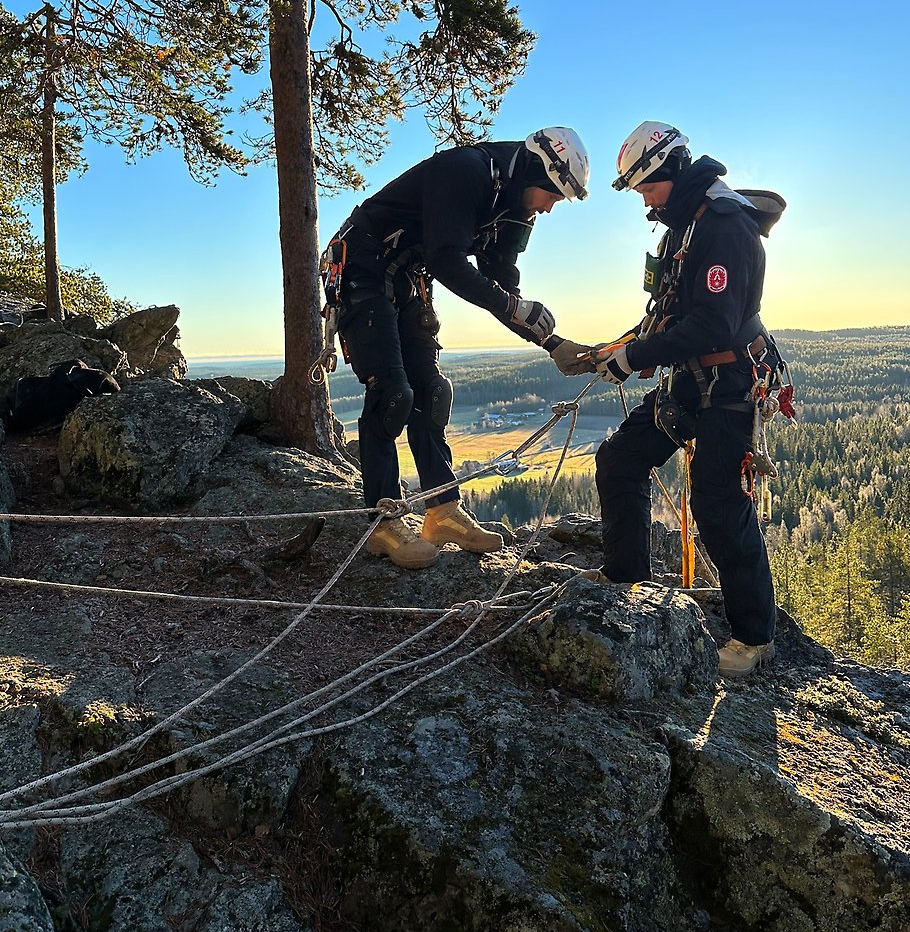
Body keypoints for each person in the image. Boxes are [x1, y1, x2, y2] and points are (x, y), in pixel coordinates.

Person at [556, 121, 781, 679]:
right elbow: (671, 315)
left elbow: (712, 322)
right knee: (620, 459)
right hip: (688, 382)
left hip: (729, 385)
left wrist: (634, 358)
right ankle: (625, 576)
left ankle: (755, 636)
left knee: (716, 503)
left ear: (668, 172)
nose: (643, 199)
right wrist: (626, 348)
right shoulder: (682, 229)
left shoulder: (725, 226)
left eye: (643, 187)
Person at [325, 128, 591, 569]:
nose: (549, 206)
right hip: (362, 262)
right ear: (531, 171)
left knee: (431, 392)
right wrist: (513, 305)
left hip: (408, 271)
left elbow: (503, 283)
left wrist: (551, 342)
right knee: (392, 392)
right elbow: (449, 261)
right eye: (551, 195)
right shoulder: (465, 172)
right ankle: (382, 520)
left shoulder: (517, 208)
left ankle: (442, 510)